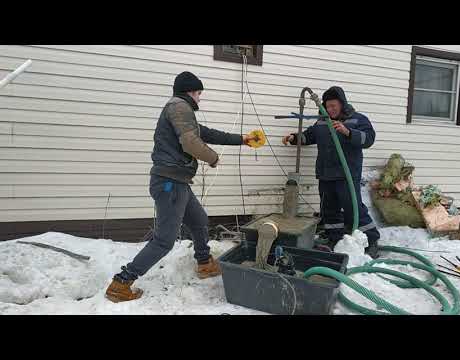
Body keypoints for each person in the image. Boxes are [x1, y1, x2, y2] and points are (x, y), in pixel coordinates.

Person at [105, 71, 258, 302]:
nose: (200, 98)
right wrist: (213, 158)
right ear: (190, 92)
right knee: (164, 240)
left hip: (178, 182)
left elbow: (205, 133)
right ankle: (122, 282)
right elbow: (190, 142)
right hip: (170, 183)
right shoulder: (179, 106)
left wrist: (242, 139)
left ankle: (204, 262)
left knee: (198, 220)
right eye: (198, 93)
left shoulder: (182, 112)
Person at [282, 86, 380, 258]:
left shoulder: (357, 119)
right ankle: (335, 238)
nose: (330, 109)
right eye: (328, 106)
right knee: (329, 208)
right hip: (326, 173)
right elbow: (309, 136)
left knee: (353, 207)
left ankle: (371, 240)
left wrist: (348, 132)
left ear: (342, 104)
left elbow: (369, 139)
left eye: (334, 106)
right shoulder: (322, 121)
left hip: (347, 174)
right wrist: (294, 138)